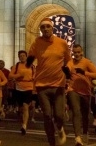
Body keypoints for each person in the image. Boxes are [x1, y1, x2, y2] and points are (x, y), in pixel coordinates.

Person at [27, 17, 72, 146]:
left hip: (58, 84)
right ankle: (51, 141)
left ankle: (60, 129)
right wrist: (27, 64)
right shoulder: (36, 42)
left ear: (52, 28)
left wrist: (68, 68)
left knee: (59, 115)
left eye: (48, 26)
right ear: (40, 29)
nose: (45, 29)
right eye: (42, 27)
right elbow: (30, 57)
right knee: (46, 115)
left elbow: (69, 59)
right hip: (42, 85)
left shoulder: (62, 42)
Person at [67, 44, 96, 146]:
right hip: (73, 90)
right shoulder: (70, 62)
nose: (76, 54)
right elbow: (67, 69)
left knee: (85, 115)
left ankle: (85, 133)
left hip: (86, 92)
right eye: (74, 52)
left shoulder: (87, 62)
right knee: (76, 112)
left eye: (78, 52)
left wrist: (85, 72)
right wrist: (65, 71)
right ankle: (77, 137)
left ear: (82, 52)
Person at [9, 50, 35, 135]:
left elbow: (35, 75)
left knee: (25, 106)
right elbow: (10, 76)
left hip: (28, 87)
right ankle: (20, 114)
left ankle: (24, 125)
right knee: (21, 107)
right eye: (21, 56)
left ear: (26, 56)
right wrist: (18, 76)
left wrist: (32, 79)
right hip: (18, 88)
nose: (22, 57)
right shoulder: (16, 66)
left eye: (24, 55)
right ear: (19, 57)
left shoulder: (31, 66)